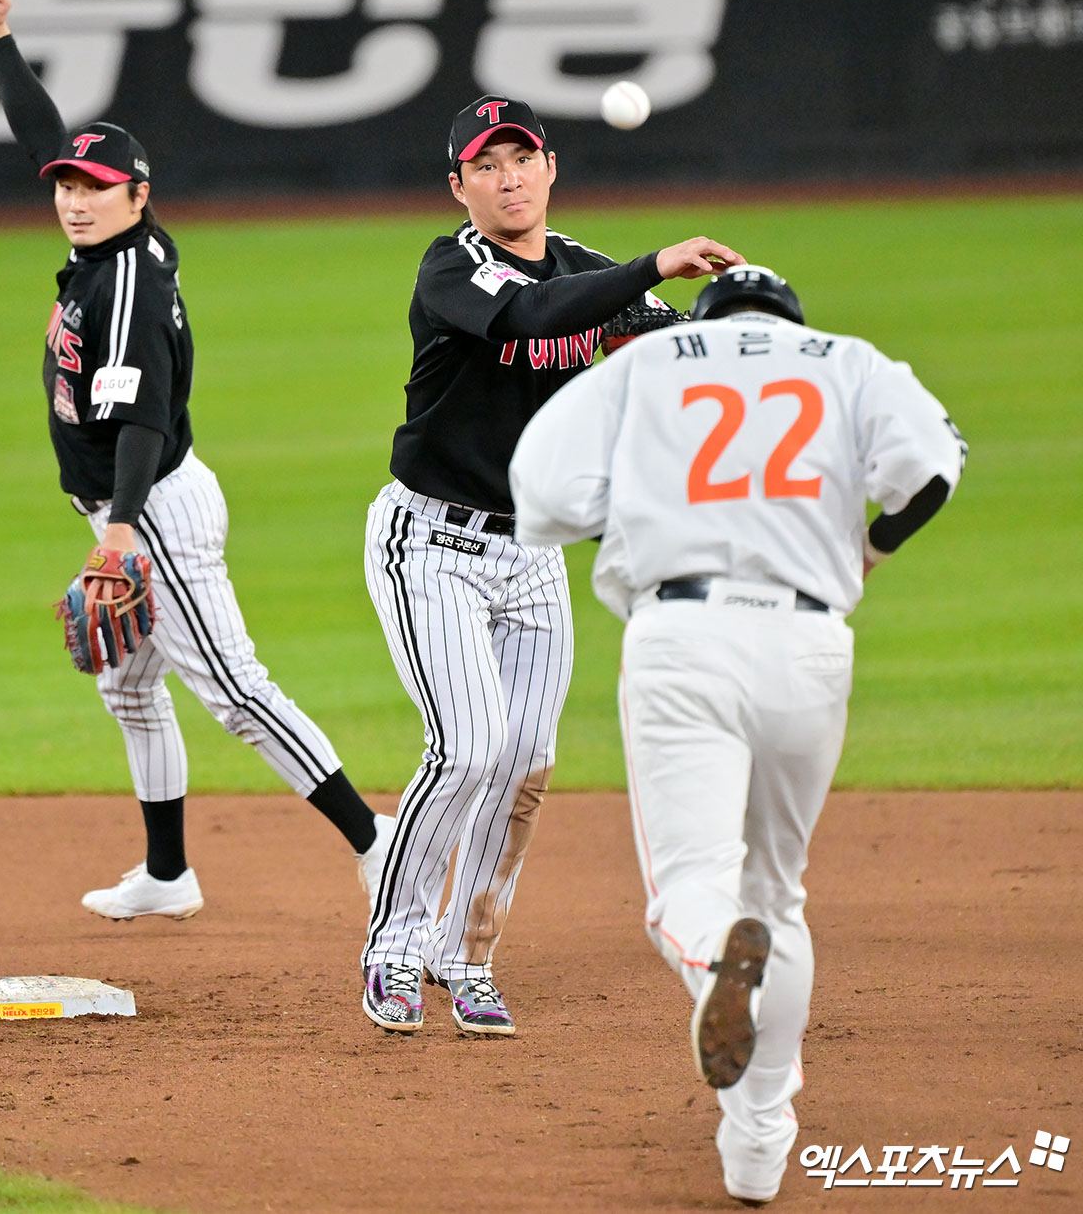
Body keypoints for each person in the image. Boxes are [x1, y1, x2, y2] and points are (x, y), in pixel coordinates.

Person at [509, 265, 967, 1201]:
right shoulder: (850, 361)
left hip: (683, 637)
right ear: (789, 317)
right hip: (811, 644)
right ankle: (757, 1147)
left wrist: (648, 520)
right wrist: (870, 550)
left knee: (692, 885)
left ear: (709, 317)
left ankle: (720, 951)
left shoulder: (647, 363)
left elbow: (542, 491)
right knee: (779, 895)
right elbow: (935, 468)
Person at [0, 0, 394, 922]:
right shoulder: (123, 244)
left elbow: (143, 421)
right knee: (129, 686)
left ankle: (378, 841)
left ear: (139, 195)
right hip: (137, 506)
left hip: (150, 508)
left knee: (235, 689)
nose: (75, 201)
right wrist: (0, 41)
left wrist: (120, 534)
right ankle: (168, 875)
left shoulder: (128, 290)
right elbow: (44, 139)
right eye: (67, 187)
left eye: (95, 189)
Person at [360, 92, 745, 1036]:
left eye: (522, 158)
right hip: (430, 544)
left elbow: (671, 342)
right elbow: (532, 316)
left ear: (550, 167)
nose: (509, 178)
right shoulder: (453, 266)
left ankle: (465, 955)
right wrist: (649, 267)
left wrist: (743, 326)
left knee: (525, 762)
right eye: (486, 165)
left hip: (531, 553)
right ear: (459, 186)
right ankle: (394, 948)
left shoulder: (585, 268)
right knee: (467, 746)